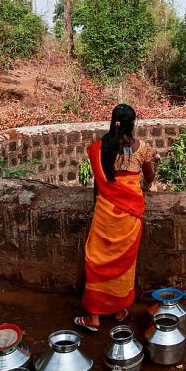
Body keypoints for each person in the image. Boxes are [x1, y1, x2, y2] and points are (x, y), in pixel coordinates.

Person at [74, 104, 159, 332]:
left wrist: (98, 208)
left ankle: (94, 317)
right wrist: (154, 161)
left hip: (104, 212)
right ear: (133, 123)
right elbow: (149, 179)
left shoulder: (100, 148)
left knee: (96, 260)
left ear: (114, 122)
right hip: (130, 215)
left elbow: (97, 185)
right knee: (125, 263)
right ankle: (120, 310)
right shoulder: (143, 149)